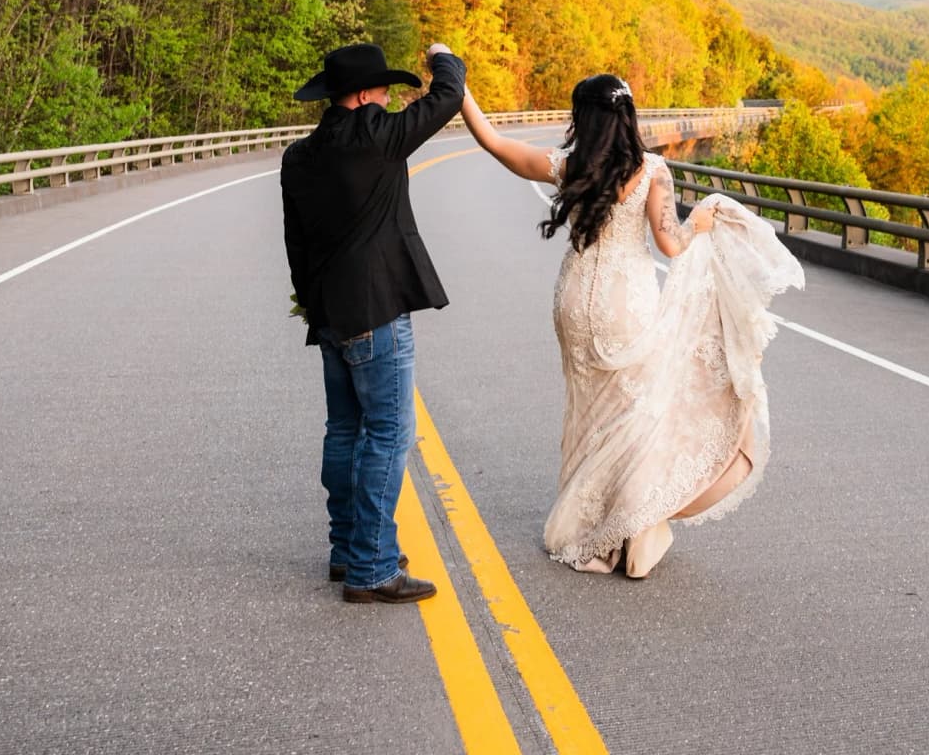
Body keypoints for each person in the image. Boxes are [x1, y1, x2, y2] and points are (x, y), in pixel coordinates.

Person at [459, 73, 801, 577]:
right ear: (628, 116)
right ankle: (629, 534)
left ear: (585, 118)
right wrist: (700, 223)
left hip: (573, 304)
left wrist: (458, 82)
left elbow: (492, 141)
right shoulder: (652, 172)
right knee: (634, 417)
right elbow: (672, 245)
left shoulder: (568, 166)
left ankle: (590, 528)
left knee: (589, 414)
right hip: (628, 306)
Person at [281, 41, 465, 604]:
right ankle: (373, 567)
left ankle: (347, 549)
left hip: (330, 313)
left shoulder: (300, 157)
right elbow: (448, 94)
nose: (388, 99)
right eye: (383, 90)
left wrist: (312, 303)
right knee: (388, 434)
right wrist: (441, 54)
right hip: (376, 311)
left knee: (343, 432)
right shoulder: (379, 138)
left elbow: (296, 242)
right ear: (363, 96)